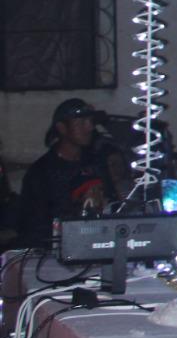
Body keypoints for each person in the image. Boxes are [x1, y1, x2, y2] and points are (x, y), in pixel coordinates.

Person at [16, 98, 112, 248]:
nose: (89, 128)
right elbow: (32, 225)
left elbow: (112, 201)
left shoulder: (95, 163)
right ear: (62, 128)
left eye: (90, 121)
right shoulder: (42, 172)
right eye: (80, 123)